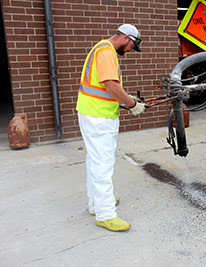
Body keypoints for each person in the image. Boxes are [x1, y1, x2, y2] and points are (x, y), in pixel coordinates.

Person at [76, 24, 145, 231]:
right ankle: (106, 214)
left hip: (91, 112)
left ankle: (96, 204)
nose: (131, 50)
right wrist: (133, 105)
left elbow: (105, 88)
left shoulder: (100, 47)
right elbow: (111, 85)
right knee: (103, 165)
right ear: (126, 38)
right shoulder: (107, 53)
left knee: (94, 161)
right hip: (99, 118)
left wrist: (127, 98)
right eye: (133, 45)